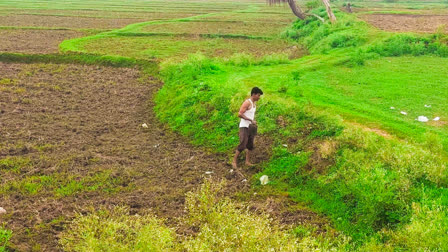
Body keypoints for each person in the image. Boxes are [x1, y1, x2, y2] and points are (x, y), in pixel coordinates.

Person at [232, 87, 263, 169]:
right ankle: (234, 161)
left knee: (250, 145)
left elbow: (250, 114)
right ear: (253, 94)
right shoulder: (247, 103)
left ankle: (247, 161)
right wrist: (250, 120)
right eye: (258, 95)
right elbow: (239, 114)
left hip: (251, 127)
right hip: (244, 126)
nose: (259, 97)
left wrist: (253, 121)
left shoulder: (254, 104)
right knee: (243, 144)